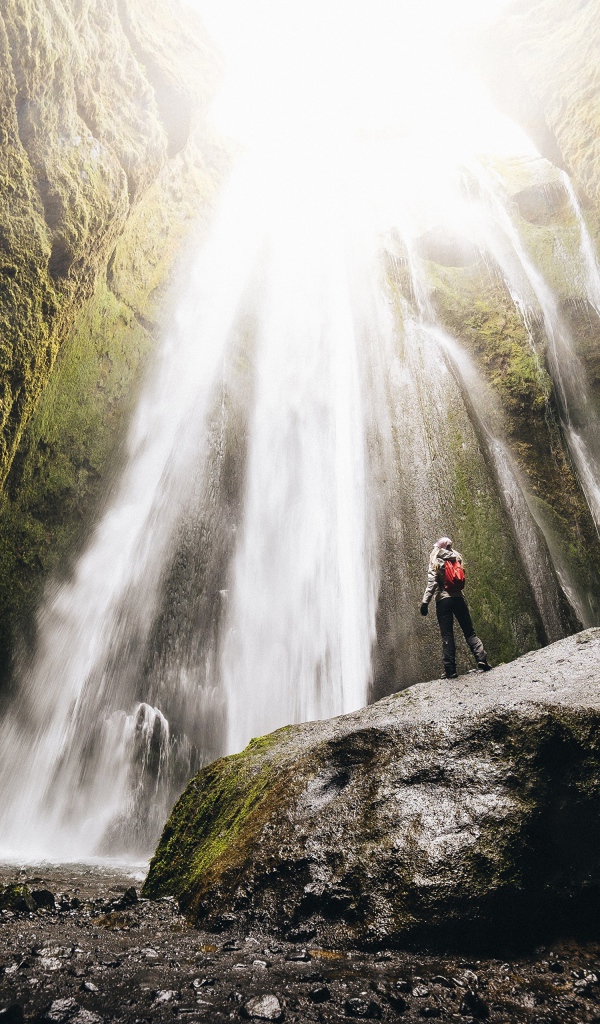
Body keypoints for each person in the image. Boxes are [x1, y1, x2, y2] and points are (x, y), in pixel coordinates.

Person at [420, 536, 492, 679]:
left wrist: (425, 603)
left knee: (447, 635)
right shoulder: (456, 557)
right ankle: (481, 659)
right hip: (458, 598)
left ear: (438, 547)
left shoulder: (436, 559)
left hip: (443, 601)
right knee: (469, 631)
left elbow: (432, 583)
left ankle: (450, 670)